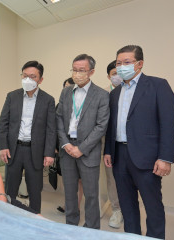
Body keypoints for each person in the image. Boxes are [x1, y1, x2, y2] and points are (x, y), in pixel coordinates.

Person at [104, 45, 174, 239]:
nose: (121, 67)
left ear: (139, 64)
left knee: (152, 206)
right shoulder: (115, 93)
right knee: (127, 206)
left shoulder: (158, 85)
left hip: (147, 158)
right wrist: (108, 151)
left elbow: (168, 124)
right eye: (118, 63)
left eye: (126, 62)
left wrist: (165, 158)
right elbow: (112, 126)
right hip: (120, 157)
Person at [56, 54, 109, 229]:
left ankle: (92, 229)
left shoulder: (101, 95)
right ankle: (70, 225)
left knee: (91, 194)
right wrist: (66, 144)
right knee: (70, 194)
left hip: (88, 151)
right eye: (74, 69)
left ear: (91, 72)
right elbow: (59, 119)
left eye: (82, 70)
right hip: (67, 149)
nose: (77, 73)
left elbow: (101, 126)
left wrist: (82, 148)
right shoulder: (66, 92)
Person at [0, 60, 56, 214]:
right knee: (10, 189)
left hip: (35, 151)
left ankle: (35, 218)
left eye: (32, 76)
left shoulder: (48, 100)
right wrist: (3, 146)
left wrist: (49, 153)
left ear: (41, 79)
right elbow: (3, 123)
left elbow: (51, 129)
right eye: (25, 76)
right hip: (14, 149)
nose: (28, 80)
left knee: (35, 190)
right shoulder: (12, 96)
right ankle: (9, 216)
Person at [56, 78, 83, 214]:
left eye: (70, 87)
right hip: (64, 148)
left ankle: (76, 206)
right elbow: (56, 127)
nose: (67, 90)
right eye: (65, 87)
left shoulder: (84, 103)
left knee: (80, 180)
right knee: (68, 180)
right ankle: (69, 205)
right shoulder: (59, 105)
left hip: (82, 149)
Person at [102, 60, 123, 229]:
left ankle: (129, 207)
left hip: (131, 145)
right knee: (112, 179)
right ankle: (117, 210)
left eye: (119, 72)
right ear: (109, 76)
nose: (117, 76)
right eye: (113, 73)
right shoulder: (104, 95)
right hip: (109, 144)